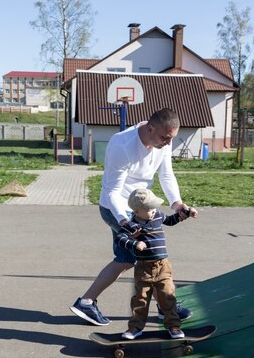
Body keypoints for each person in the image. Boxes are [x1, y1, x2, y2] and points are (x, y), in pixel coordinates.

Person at [70, 108, 198, 326]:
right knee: (151, 257)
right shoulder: (122, 145)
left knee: (127, 260)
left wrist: (176, 203)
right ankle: (165, 307)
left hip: (141, 207)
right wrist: (124, 221)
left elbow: (166, 174)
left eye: (172, 138)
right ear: (150, 128)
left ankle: (87, 302)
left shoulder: (162, 142)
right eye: (165, 138)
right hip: (116, 207)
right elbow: (112, 192)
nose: (168, 143)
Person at [117, 188, 185, 340]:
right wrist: (134, 244)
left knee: (168, 296)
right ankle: (135, 327)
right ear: (136, 211)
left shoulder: (158, 216)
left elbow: (171, 220)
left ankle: (173, 325)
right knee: (140, 299)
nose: (154, 210)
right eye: (149, 208)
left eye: (154, 207)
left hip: (163, 266)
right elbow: (119, 238)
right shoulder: (132, 224)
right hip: (143, 268)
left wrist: (185, 214)